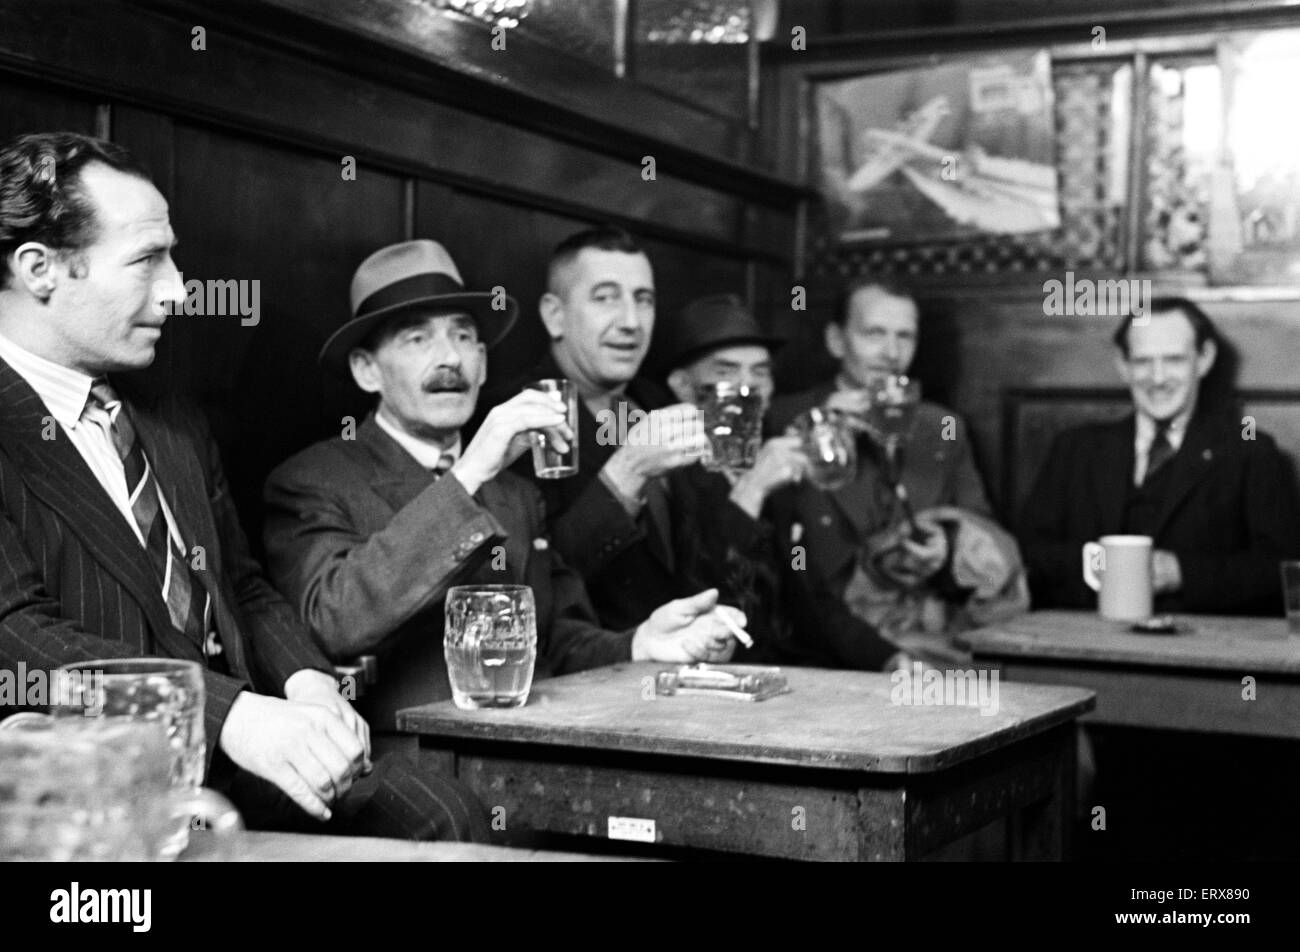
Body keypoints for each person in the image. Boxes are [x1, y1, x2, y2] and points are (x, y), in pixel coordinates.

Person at [0, 132, 487, 841]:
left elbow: (242, 585)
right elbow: (17, 639)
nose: (178, 289)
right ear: (41, 269)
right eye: (146, 260)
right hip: (80, 797)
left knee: (448, 818)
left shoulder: (168, 412)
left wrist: (308, 683)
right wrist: (234, 715)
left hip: (231, 764)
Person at [262, 240, 743, 739]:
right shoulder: (314, 480)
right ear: (366, 369)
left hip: (533, 754)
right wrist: (466, 476)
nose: (450, 358)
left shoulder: (515, 494)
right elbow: (335, 621)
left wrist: (642, 643)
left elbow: (556, 641)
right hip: (409, 765)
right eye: (417, 339)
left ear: (484, 363)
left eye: (464, 336)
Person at [495, 226, 748, 635]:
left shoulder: (657, 401)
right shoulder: (516, 416)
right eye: (605, 297)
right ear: (554, 315)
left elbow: (704, 549)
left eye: (643, 300)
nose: (631, 322)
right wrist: (627, 472)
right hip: (589, 676)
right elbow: (530, 585)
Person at [768, 279, 1026, 668]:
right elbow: (771, 550)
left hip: (928, 641)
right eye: (874, 334)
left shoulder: (942, 426)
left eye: (905, 337)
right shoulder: (785, 418)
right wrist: (821, 428)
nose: (891, 353)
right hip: (824, 647)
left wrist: (947, 547)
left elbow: (981, 526)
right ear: (837, 340)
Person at [1018, 297, 1300, 615]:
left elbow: (1283, 569)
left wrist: (1181, 572)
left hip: (1203, 649)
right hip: (1087, 641)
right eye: (1142, 362)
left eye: (1174, 360)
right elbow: (1030, 551)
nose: (1158, 378)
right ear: (1122, 366)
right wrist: (1096, 565)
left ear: (1204, 359)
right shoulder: (1075, 449)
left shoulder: (1252, 453)